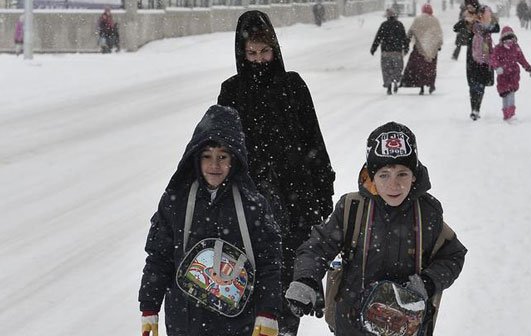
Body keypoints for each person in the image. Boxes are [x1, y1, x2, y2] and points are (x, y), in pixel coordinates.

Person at [284, 121, 468, 336]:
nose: (394, 184)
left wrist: (427, 282)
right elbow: (317, 247)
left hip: (405, 326)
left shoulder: (427, 212)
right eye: (384, 175)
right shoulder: (352, 208)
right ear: (371, 176)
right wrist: (306, 278)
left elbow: (453, 255)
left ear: (414, 175)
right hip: (352, 325)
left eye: (402, 174)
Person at [217, 10, 336, 336]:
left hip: (295, 205)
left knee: (287, 297)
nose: (257, 60)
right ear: (242, 54)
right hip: (248, 208)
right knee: (244, 293)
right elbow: (220, 149)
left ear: (275, 50)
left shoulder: (293, 86)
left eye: (264, 52)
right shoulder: (232, 92)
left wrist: (322, 195)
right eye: (251, 53)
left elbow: (314, 141)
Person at [138, 105, 282, 336]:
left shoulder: (253, 205)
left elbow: (269, 264)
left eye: (222, 157)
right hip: (185, 322)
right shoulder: (176, 201)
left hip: (238, 323)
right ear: (195, 158)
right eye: (207, 156)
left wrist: (268, 314)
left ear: (234, 159)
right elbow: (159, 258)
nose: (214, 165)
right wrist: (149, 308)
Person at [455, 4, 500, 121]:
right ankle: (474, 109)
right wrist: (466, 20)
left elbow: (497, 28)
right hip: (472, 58)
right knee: (473, 85)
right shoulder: (473, 26)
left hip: (485, 58)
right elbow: (455, 28)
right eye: (486, 13)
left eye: (488, 13)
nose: (488, 15)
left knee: (481, 85)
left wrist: (489, 20)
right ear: (480, 14)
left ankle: (476, 109)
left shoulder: (488, 26)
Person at [490, 26, 531, 120]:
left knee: (511, 92)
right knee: (504, 93)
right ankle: (506, 113)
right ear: (502, 39)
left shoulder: (516, 47)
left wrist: (527, 67)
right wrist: (497, 67)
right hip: (502, 76)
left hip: (514, 74)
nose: (509, 42)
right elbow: (493, 59)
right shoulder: (498, 49)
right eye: (506, 39)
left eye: (511, 39)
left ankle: (511, 113)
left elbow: (521, 58)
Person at [400, 4, 443, 95]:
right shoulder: (435, 20)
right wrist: (438, 46)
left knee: (419, 67)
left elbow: (411, 31)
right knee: (430, 68)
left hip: (419, 49)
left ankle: (421, 85)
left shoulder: (418, 20)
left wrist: (406, 41)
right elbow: (438, 34)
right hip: (432, 49)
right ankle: (431, 84)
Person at [370, 8, 409, 95]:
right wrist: (406, 48)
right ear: (395, 16)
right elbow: (404, 38)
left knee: (386, 69)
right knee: (398, 68)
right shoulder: (399, 25)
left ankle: (388, 86)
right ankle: (395, 80)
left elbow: (378, 37)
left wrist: (373, 48)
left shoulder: (384, 25)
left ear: (387, 16)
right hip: (397, 52)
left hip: (386, 52)